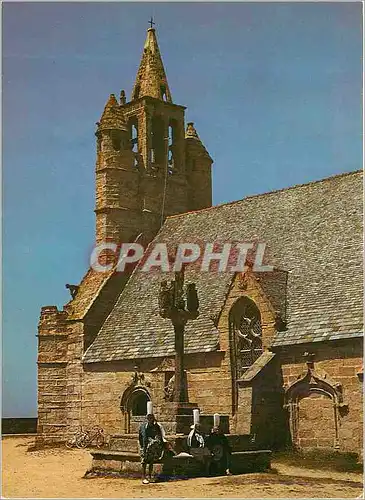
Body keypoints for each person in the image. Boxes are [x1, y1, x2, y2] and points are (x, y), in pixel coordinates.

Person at [138, 413, 167, 484]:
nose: (151, 421)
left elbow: (159, 434)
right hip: (144, 446)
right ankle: (143, 477)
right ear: (148, 420)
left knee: (151, 461)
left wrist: (155, 439)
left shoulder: (155, 426)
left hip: (151, 447)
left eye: (152, 420)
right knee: (144, 462)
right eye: (150, 419)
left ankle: (150, 476)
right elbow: (140, 437)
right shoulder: (143, 427)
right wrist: (142, 446)